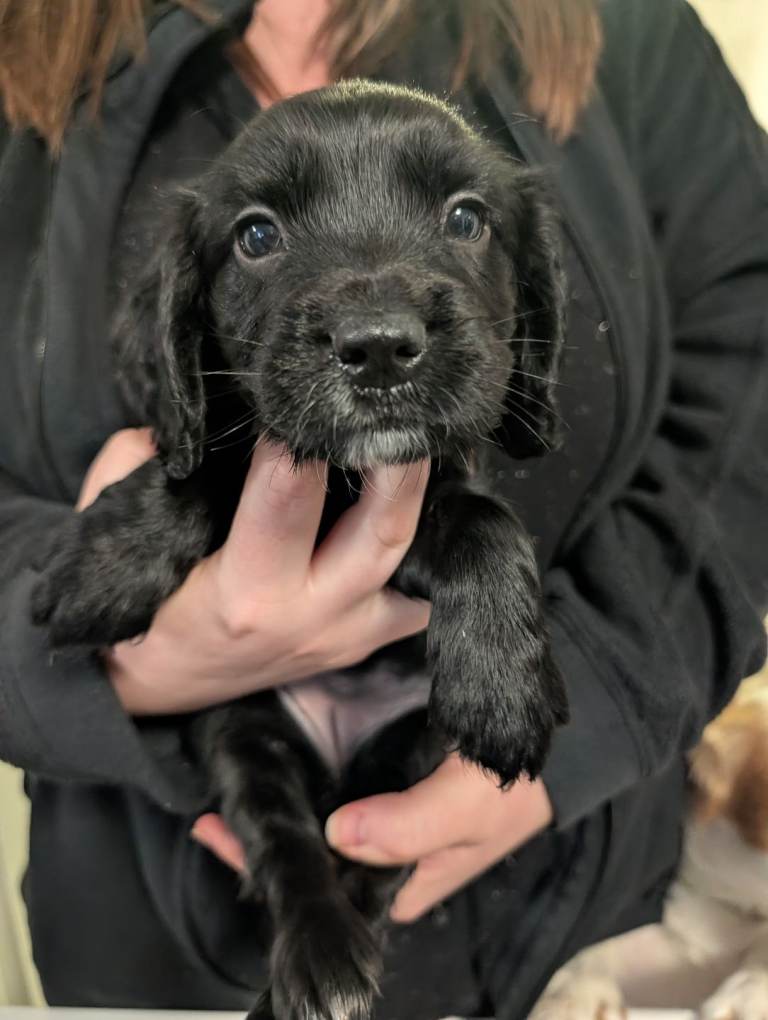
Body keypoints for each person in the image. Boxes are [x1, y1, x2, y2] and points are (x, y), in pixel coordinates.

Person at [1, 1, 767, 1017]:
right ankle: (314, 930)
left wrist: (592, 706)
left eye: (459, 219)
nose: (375, 323)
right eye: (262, 237)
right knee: (251, 753)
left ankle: (345, 921)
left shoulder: (627, 28)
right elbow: (141, 521)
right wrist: (100, 649)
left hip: (587, 930)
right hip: (158, 949)